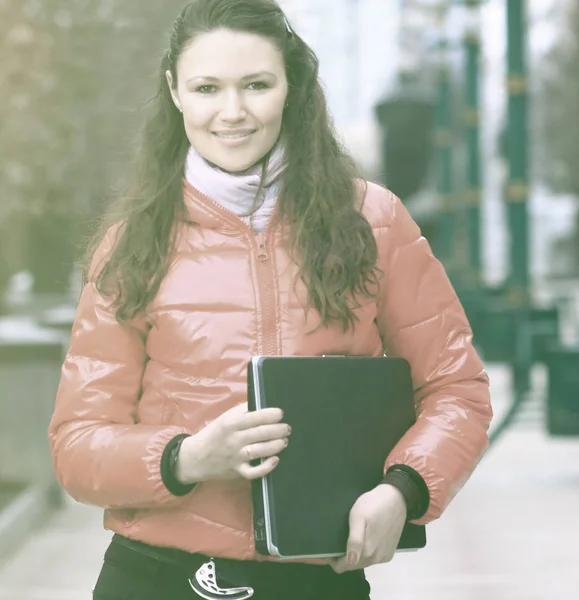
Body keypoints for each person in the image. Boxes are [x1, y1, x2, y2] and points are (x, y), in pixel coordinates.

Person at [48, 1, 493, 598]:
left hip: (316, 580)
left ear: (291, 87)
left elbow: (456, 390)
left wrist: (404, 489)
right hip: (156, 577)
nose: (232, 113)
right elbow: (77, 442)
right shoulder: (132, 242)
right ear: (175, 92)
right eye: (207, 88)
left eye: (256, 85)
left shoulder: (374, 222)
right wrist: (184, 458)